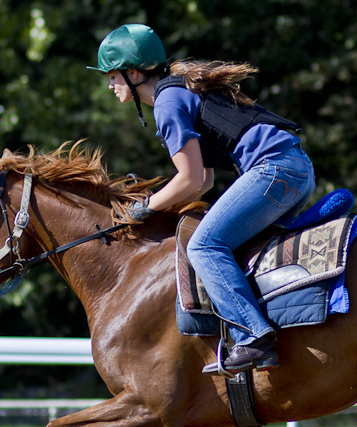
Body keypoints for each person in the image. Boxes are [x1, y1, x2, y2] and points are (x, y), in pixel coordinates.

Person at [90, 24, 316, 374]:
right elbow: (203, 181)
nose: (110, 85)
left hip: (275, 171)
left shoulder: (166, 103)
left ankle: (254, 338)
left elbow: (191, 178)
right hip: (292, 167)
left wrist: (144, 208)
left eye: (113, 76)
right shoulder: (178, 90)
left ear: (134, 74)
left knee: (204, 246)